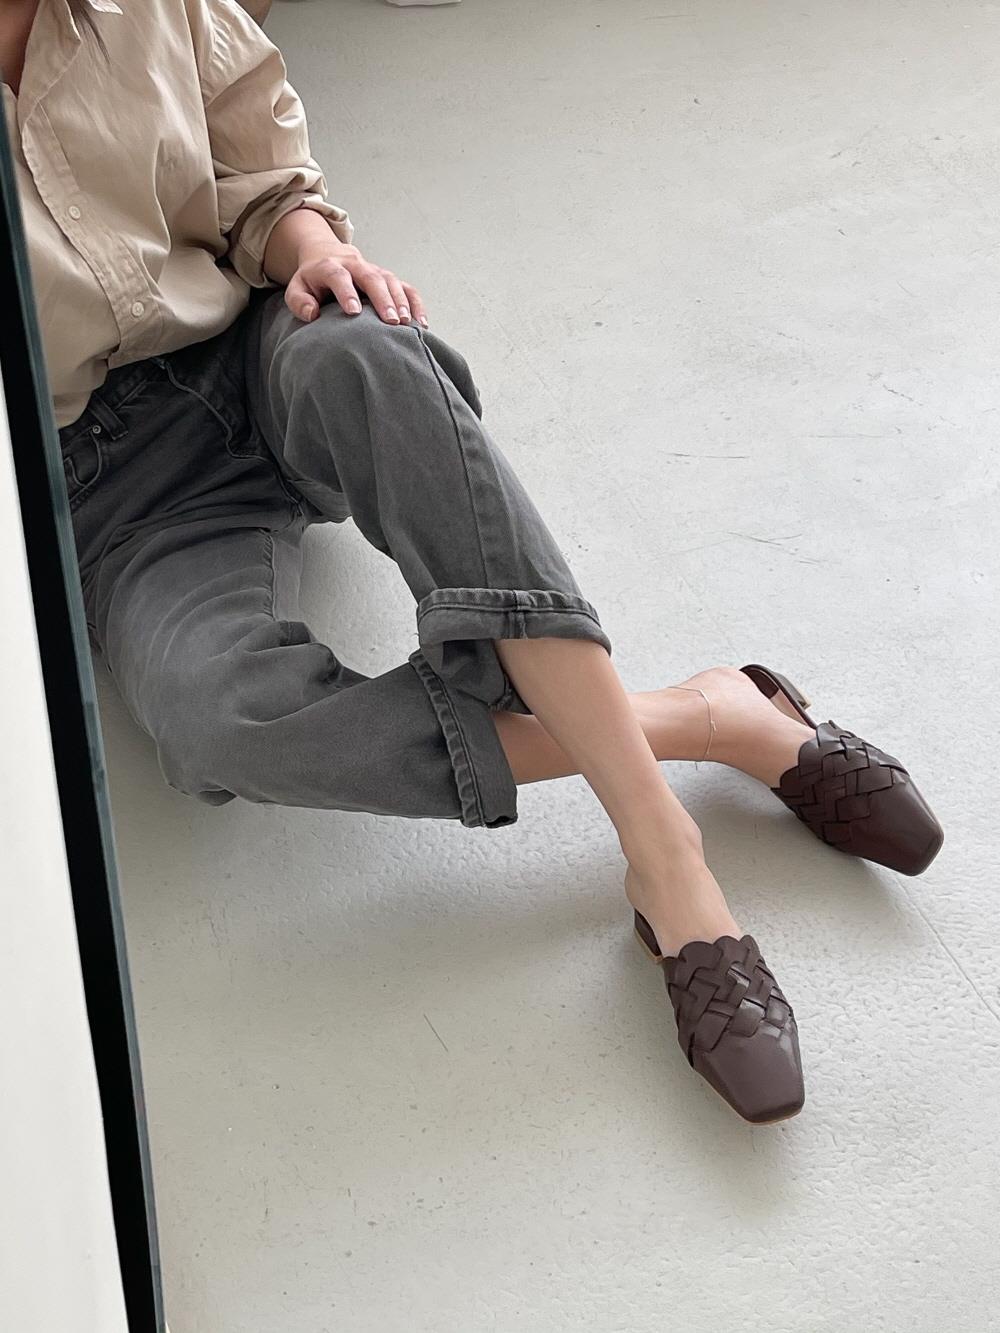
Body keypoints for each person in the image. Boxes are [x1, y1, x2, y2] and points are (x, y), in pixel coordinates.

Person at [0, 0, 942, 1124]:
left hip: (252, 348)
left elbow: (263, 177)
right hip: (107, 495)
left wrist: (319, 253)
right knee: (221, 721)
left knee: (370, 351)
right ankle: (717, 718)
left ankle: (668, 859)